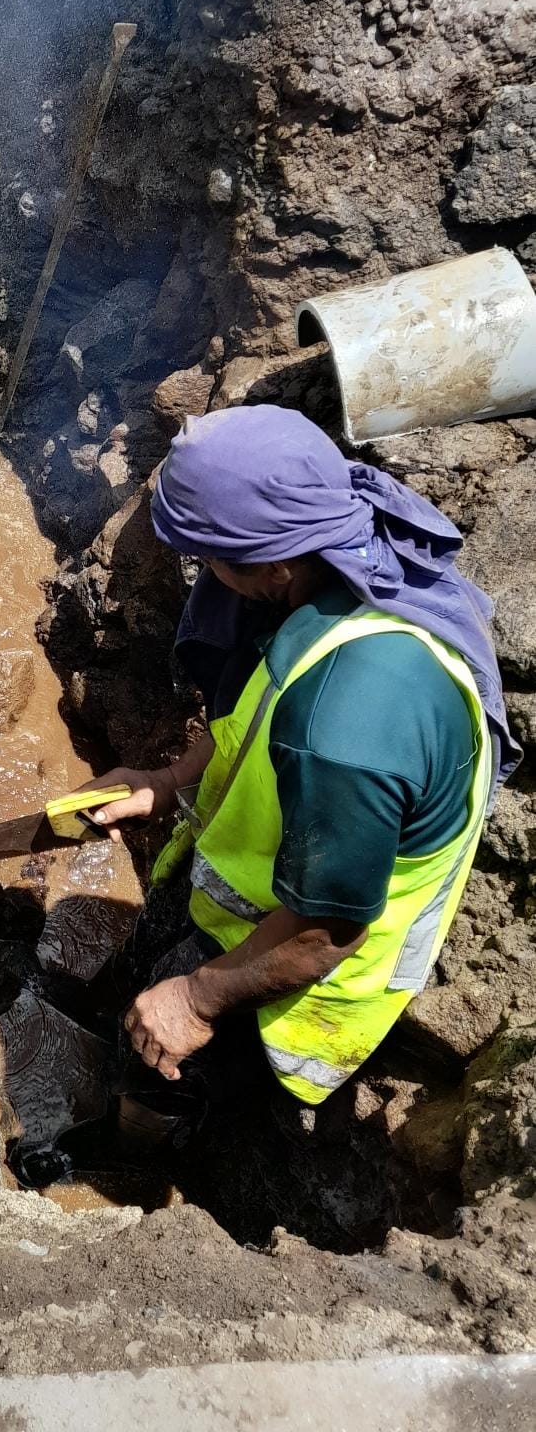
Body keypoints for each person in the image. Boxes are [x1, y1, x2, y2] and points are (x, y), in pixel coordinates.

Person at [78, 404, 515, 1138]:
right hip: (265, 895)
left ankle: (140, 1157)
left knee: (172, 1081)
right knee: (144, 997)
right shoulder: (345, 561)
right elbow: (257, 719)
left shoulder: (345, 726)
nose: (206, 575)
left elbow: (327, 932)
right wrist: (169, 782)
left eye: (210, 559)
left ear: (273, 563)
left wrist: (195, 1000)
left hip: (294, 978)